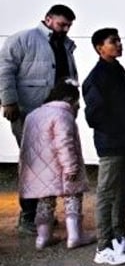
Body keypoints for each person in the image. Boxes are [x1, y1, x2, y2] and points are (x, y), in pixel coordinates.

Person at [0, 4, 78, 235]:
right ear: (48, 19)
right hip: (28, 112)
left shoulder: (65, 45)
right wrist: (9, 101)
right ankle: (27, 217)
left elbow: (71, 76)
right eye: (62, 24)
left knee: (51, 164)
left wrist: (74, 104)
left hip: (57, 112)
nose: (65, 29)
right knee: (32, 165)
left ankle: (43, 215)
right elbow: (4, 70)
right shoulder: (22, 39)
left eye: (69, 25)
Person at [82, 28, 125, 265]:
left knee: (123, 190)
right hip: (112, 145)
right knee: (107, 193)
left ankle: (119, 237)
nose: (119, 44)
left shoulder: (116, 70)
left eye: (119, 40)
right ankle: (103, 246)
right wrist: (119, 131)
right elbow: (94, 116)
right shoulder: (97, 78)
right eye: (113, 41)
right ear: (100, 48)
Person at [18, 81, 95, 251]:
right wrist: (71, 167)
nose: (77, 106)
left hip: (39, 169)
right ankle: (75, 236)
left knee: (45, 200)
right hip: (61, 166)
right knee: (73, 197)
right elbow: (64, 143)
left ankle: (43, 238)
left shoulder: (33, 115)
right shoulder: (62, 115)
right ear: (69, 99)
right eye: (76, 101)